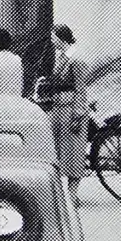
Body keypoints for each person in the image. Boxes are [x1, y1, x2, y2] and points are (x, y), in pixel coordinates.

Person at [44, 24, 90, 188]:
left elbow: (80, 89)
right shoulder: (61, 56)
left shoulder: (76, 59)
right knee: (60, 152)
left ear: (61, 39)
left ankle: (73, 192)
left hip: (71, 110)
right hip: (59, 109)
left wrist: (77, 116)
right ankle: (62, 190)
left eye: (53, 38)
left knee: (74, 153)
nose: (52, 41)